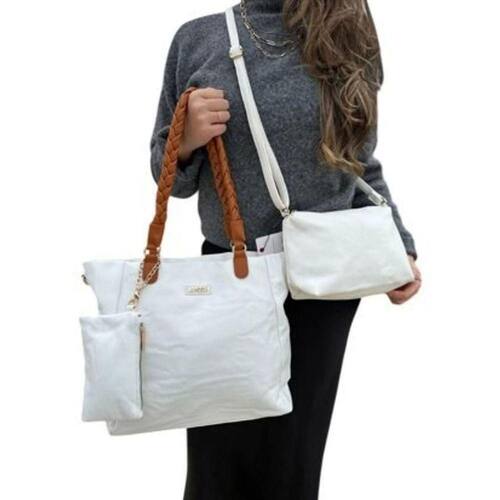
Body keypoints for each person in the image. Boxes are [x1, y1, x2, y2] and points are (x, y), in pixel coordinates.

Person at [150, 1, 422, 498]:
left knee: (292, 464)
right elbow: (170, 177)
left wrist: (398, 244)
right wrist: (185, 139)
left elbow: (360, 162)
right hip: (230, 275)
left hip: (325, 282)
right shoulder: (199, 38)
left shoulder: (348, 30)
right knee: (216, 461)